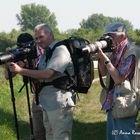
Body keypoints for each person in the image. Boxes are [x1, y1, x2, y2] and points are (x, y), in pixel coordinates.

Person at [8, 24, 75, 140]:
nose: (38, 41)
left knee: (60, 137)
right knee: (49, 136)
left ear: (51, 34)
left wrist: (21, 70)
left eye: (41, 37)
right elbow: (39, 75)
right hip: (47, 103)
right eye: (36, 38)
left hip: (59, 102)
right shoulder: (47, 52)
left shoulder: (60, 50)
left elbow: (47, 74)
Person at [98, 22, 137, 140]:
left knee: (123, 137)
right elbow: (104, 72)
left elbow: (119, 79)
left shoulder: (131, 51)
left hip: (125, 101)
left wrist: (105, 59)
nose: (108, 39)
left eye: (111, 35)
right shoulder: (115, 50)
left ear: (122, 35)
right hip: (113, 101)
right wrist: (101, 57)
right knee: (112, 136)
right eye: (106, 36)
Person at [4, 32, 46, 140]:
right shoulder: (22, 57)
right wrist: (9, 63)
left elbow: (43, 77)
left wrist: (24, 69)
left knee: (51, 132)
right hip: (36, 98)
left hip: (48, 96)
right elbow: (7, 76)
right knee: (38, 133)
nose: (25, 50)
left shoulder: (41, 54)